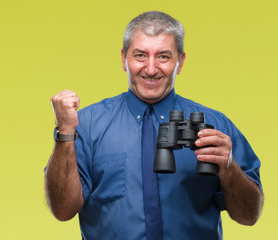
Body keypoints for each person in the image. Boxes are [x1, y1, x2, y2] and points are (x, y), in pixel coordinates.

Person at [45, 11, 263, 240]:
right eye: (140, 55)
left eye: (163, 57)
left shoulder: (215, 126)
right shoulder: (88, 126)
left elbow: (248, 216)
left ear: (180, 62)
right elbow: (62, 211)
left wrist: (229, 168)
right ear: (123, 59)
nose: (150, 69)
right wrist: (65, 132)